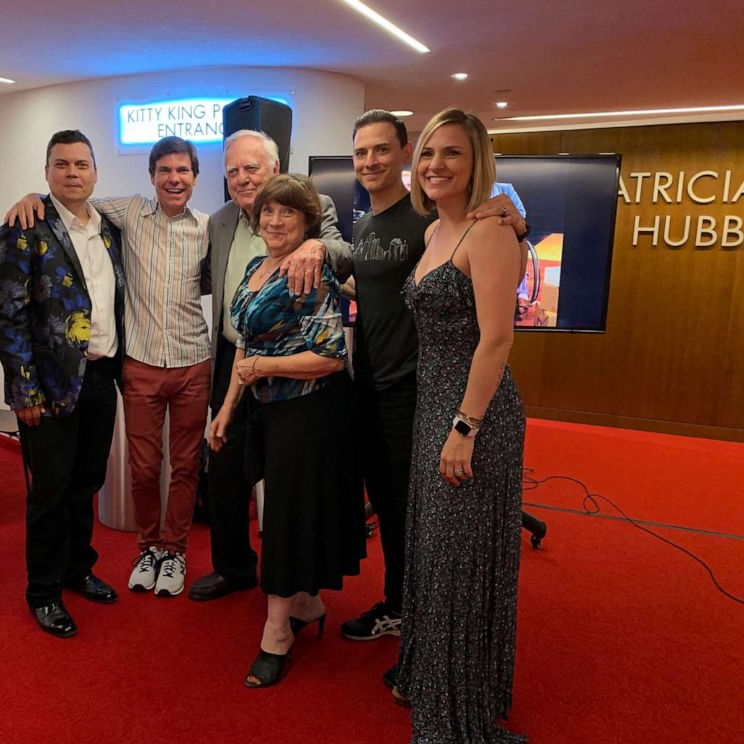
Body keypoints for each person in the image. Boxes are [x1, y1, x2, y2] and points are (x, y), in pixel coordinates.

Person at [342, 111, 530, 658]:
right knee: (409, 522)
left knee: (437, 535)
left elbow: (495, 324)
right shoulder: (380, 225)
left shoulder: (443, 221)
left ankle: (426, 635)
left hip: (431, 397)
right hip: (384, 391)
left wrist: (517, 219)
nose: (370, 161)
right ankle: (408, 618)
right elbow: (383, 287)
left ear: (401, 154)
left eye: (383, 149)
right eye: (360, 152)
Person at [3, 137, 211, 598]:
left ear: (196, 177)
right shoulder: (120, 215)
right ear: (152, 176)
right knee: (116, 474)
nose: (174, 178)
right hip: (104, 372)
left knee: (144, 473)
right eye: (164, 171)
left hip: (170, 364)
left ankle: (156, 555)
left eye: (183, 171)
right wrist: (31, 197)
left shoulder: (200, 229)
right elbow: (8, 312)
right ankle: (120, 559)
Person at [397, 108, 527, 742]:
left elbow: (497, 341)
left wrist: (465, 426)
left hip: (475, 416)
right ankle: (433, 684)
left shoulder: (492, 233)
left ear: (477, 162)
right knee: (439, 557)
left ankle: (459, 712)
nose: (435, 165)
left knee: (461, 562)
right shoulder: (433, 236)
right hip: (433, 410)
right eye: (427, 153)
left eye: (452, 153)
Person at [208, 174, 365, 687]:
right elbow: (244, 348)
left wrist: (263, 372)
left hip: (309, 413)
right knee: (290, 512)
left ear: (307, 223)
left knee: (282, 518)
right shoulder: (257, 266)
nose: (275, 221)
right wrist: (228, 408)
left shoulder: (308, 272)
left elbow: (328, 356)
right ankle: (305, 600)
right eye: (268, 213)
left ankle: (276, 633)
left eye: (288, 214)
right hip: (266, 410)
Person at [190, 129, 353, 602]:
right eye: (234, 170)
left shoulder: (311, 203)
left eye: (252, 168)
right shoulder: (220, 221)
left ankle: (293, 589)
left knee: (286, 479)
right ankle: (233, 568)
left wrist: (316, 246)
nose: (242, 178)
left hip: (295, 370)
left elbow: (346, 254)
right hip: (235, 354)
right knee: (224, 464)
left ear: (274, 170)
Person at [0, 129, 125, 638]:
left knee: (86, 482)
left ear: (95, 172)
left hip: (101, 374)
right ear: (46, 171)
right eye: (62, 164)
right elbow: (7, 316)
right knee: (50, 490)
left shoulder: (108, 229)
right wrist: (23, 391)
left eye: (82, 165)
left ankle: (77, 569)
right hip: (46, 386)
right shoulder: (23, 227)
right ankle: (43, 591)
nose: (73, 173)